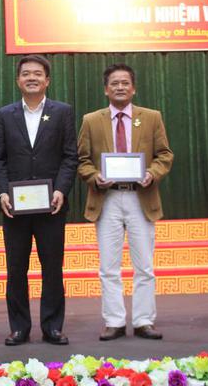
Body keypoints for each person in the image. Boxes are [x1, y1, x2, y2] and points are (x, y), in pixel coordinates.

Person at [77, 63, 174, 341]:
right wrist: (94, 176)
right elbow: (81, 160)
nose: (120, 87)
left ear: (134, 88)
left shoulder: (151, 117)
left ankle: (144, 321)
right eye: (114, 83)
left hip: (140, 197)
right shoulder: (91, 120)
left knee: (144, 265)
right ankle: (114, 321)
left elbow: (165, 155)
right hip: (106, 198)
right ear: (106, 89)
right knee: (108, 266)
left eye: (125, 83)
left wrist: (152, 173)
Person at [0, 55, 78, 346]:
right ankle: (19, 328)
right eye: (26, 73)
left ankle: (52, 327)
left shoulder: (62, 112)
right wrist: (2, 193)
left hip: (51, 206)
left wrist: (61, 190)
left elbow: (70, 156)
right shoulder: (5, 114)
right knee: (16, 269)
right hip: (14, 208)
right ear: (18, 80)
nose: (31, 78)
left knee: (52, 268)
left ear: (47, 80)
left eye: (37, 74)